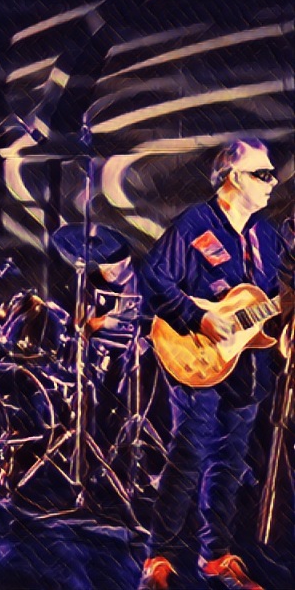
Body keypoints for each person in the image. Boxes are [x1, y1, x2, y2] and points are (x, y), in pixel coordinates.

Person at [138, 139, 283, 590]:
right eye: (263, 174)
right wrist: (198, 316)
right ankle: (159, 557)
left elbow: (274, 300)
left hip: (247, 367)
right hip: (196, 357)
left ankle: (216, 556)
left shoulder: (267, 236)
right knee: (189, 454)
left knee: (230, 461)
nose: (273, 182)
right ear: (233, 177)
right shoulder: (195, 223)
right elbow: (154, 277)